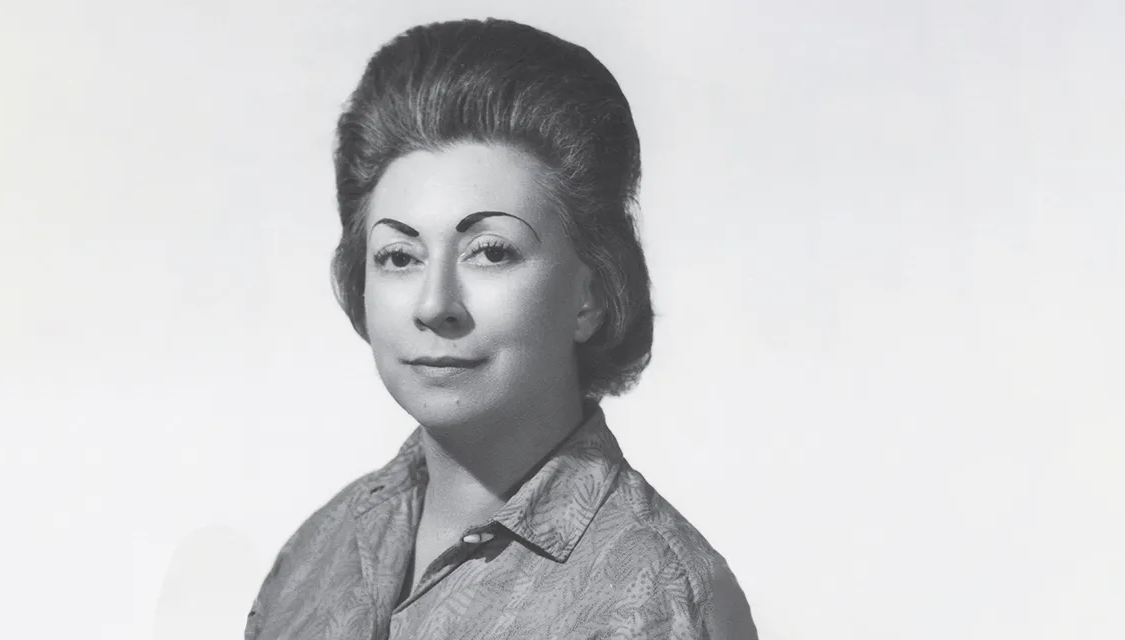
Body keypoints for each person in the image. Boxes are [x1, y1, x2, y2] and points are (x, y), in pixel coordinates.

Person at [246, 18, 758, 640]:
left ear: (591, 295)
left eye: (490, 252)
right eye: (399, 257)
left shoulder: (660, 598)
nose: (435, 304)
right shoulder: (317, 553)